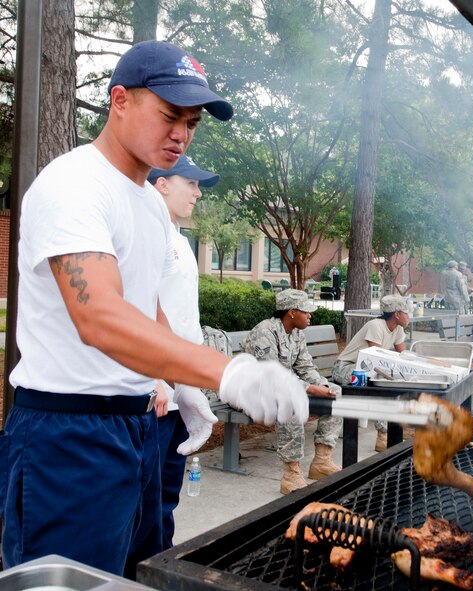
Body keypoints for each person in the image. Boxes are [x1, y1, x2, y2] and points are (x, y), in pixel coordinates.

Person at [1, 40, 309, 578]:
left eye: (191, 123)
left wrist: (183, 379)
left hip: (140, 429)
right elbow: (99, 315)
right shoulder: (73, 185)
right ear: (119, 99)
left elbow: (146, 305)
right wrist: (228, 371)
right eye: (170, 116)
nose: (181, 135)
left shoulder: (147, 200)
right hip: (69, 437)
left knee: (137, 576)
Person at [146, 154, 221, 551]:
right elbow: (138, 308)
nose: (197, 192)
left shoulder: (181, 241)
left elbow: (182, 319)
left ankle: (161, 568)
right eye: (189, 182)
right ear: (161, 184)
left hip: (180, 390)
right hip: (156, 391)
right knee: (147, 504)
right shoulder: (148, 234)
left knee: (166, 498)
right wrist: (155, 378)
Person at [241, 290, 342, 494]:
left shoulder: (297, 334)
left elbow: (305, 367)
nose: (310, 316)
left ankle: (321, 461)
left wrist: (322, 386)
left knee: (335, 392)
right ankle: (291, 474)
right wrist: (308, 388)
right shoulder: (265, 331)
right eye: (306, 312)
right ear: (292, 312)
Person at [332, 295, 410, 452]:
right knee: (380, 382)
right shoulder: (375, 326)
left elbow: (404, 357)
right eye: (406, 312)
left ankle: (401, 425)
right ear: (397, 314)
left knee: (400, 379)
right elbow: (377, 360)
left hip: (365, 370)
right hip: (345, 368)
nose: (409, 317)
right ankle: (383, 435)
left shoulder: (398, 329)